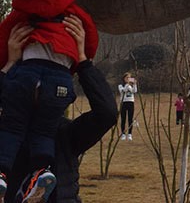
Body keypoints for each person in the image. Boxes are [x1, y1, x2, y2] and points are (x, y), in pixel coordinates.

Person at [0, 0, 99, 202]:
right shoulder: (73, 13)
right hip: (59, 81)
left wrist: (8, 64)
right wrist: (80, 60)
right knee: (45, 131)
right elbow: (91, 36)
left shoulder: (22, 13)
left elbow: (3, 35)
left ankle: (2, 173)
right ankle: (42, 172)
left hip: (26, 76)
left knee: (12, 128)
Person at [0, 16, 117, 203]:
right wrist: (9, 65)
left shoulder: (66, 133)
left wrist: (82, 62)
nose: (41, 84)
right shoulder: (6, 129)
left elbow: (107, 113)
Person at [117, 73, 137, 140]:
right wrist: (128, 84)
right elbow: (124, 91)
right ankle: (123, 134)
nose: (128, 79)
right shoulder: (120, 85)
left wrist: (134, 84)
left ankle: (130, 134)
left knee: (130, 119)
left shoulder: (130, 86)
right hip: (123, 103)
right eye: (127, 77)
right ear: (124, 78)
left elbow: (134, 91)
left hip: (131, 102)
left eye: (129, 77)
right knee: (123, 119)